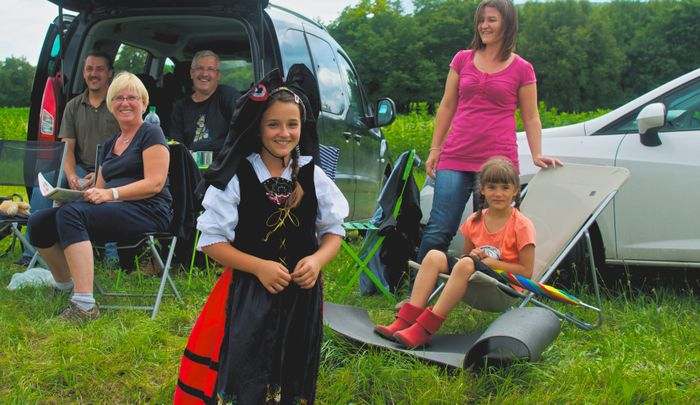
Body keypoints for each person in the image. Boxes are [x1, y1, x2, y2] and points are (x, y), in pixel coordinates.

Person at [174, 65, 347, 404]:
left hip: (301, 295)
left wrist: (317, 259)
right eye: (274, 124)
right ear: (258, 127)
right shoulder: (238, 176)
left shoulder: (314, 175)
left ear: (302, 127)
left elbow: (333, 231)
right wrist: (258, 267)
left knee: (292, 361)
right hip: (250, 292)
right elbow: (211, 241)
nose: (284, 133)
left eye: (292, 124)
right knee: (248, 361)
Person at [417, 0, 561, 266]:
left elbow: (531, 116)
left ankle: (483, 291)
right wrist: (435, 149)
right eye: (481, 20)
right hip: (455, 156)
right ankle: (417, 291)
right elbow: (447, 105)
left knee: (493, 235)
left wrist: (537, 153)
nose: (484, 25)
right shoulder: (462, 59)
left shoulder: (522, 68)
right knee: (439, 227)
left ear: (507, 24)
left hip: (497, 162)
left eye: (491, 20)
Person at [26, 72, 173, 322]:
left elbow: (155, 183)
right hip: (115, 209)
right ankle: (64, 285)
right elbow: (98, 190)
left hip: (148, 209)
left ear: (143, 103)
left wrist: (110, 194)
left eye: (132, 97)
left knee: (72, 216)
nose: (125, 103)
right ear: (110, 104)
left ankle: (84, 305)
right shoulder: (109, 144)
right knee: (40, 221)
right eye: (118, 98)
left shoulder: (151, 134)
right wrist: (72, 196)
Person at [375, 157, 535, 349]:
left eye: (505, 188)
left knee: (466, 263)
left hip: (504, 287)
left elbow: (526, 272)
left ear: (515, 190)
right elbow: (464, 258)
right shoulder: (475, 219)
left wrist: (489, 263)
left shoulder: (522, 225)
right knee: (434, 255)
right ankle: (406, 320)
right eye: (492, 187)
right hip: (475, 278)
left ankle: (425, 329)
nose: (498, 193)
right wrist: (474, 257)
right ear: (482, 190)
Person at [19, 50, 121, 266]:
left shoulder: (118, 104)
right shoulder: (73, 106)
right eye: (89, 69)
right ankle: (30, 253)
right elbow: (67, 147)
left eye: (99, 69)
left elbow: (126, 147)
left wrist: (103, 172)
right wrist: (72, 174)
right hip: (83, 168)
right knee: (44, 184)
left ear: (110, 73)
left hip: (113, 170)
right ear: (84, 72)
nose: (94, 74)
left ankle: (111, 257)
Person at [169, 50, 241, 152]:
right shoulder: (180, 107)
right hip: (191, 165)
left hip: (223, 164)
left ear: (218, 75)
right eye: (199, 68)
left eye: (211, 69)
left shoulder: (229, 97)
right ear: (192, 73)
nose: (204, 74)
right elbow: (177, 147)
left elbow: (242, 135)